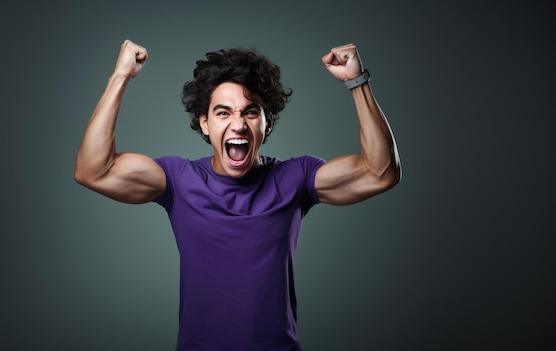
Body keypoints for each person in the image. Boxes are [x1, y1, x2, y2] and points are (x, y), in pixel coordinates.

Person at [74, 39, 401, 351]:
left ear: (266, 123)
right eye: (223, 113)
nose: (238, 124)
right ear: (204, 124)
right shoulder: (179, 180)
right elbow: (94, 170)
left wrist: (357, 81)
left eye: (249, 112)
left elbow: (380, 172)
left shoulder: (296, 178)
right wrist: (120, 77)